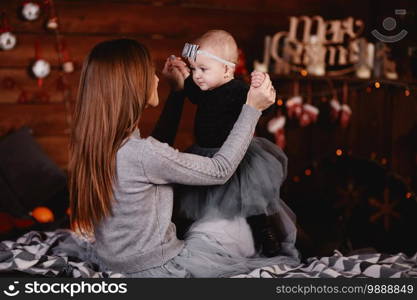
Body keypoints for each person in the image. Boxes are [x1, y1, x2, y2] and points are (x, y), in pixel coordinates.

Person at [68, 38, 298, 278]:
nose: (157, 79)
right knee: (236, 232)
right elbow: (220, 170)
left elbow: (155, 152)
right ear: (134, 85)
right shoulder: (143, 154)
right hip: (157, 268)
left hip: (114, 262)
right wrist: (252, 109)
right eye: (150, 73)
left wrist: (177, 92)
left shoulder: (103, 144)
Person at [170, 30, 299, 258]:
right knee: (197, 195)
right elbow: (189, 90)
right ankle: (188, 233)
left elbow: (263, 105)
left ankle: (264, 234)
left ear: (227, 70)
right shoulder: (203, 88)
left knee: (251, 200)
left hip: (237, 156)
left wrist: (258, 86)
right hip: (206, 154)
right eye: (194, 69)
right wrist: (182, 73)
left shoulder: (237, 89)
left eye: (203, 69)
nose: (197, 75)